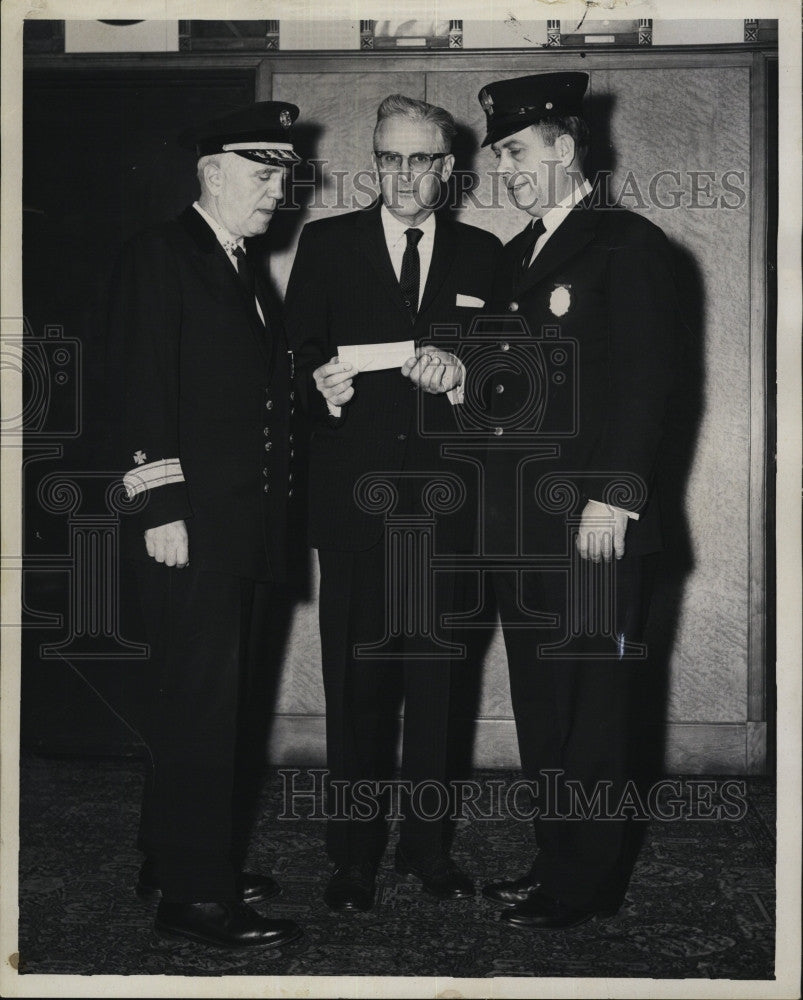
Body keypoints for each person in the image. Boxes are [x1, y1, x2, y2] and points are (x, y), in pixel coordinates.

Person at [473, 72, 682, 928]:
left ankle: (585, 881)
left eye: (516, 152)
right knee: (546, 707)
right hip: (524, 527)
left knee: (594, 710)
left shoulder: (627, 245)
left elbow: (652, 385)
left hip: (595, 527)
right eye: (497, 156)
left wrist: (612, 498)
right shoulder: (520, 252)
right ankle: (554, 858)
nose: (504, 169)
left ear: (564, 147)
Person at [284, 94, 501, 912]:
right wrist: (318, 387)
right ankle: (350, 857)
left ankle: (427, 849)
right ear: (373, 161)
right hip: (353, 510)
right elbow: (294, 362)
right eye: (388, 158)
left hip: (450, 515)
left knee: (440, 690)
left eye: (421, 160)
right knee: (357, 690)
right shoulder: (327, 243)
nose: (404, 175)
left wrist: (466, 377)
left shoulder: (487, 254)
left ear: (448, 170)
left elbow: (511, 386)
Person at [109, 102, 304, 949]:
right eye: (263, 176)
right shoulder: (164, 255)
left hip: (240, 527)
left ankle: (176, 854)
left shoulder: (231, 263)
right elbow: (136, 385)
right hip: (192, 526)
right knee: (202, 711)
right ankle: (195, 898)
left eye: (283, 177)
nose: (278, 192)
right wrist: (160, 504)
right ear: (212, 174)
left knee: (212, 708)